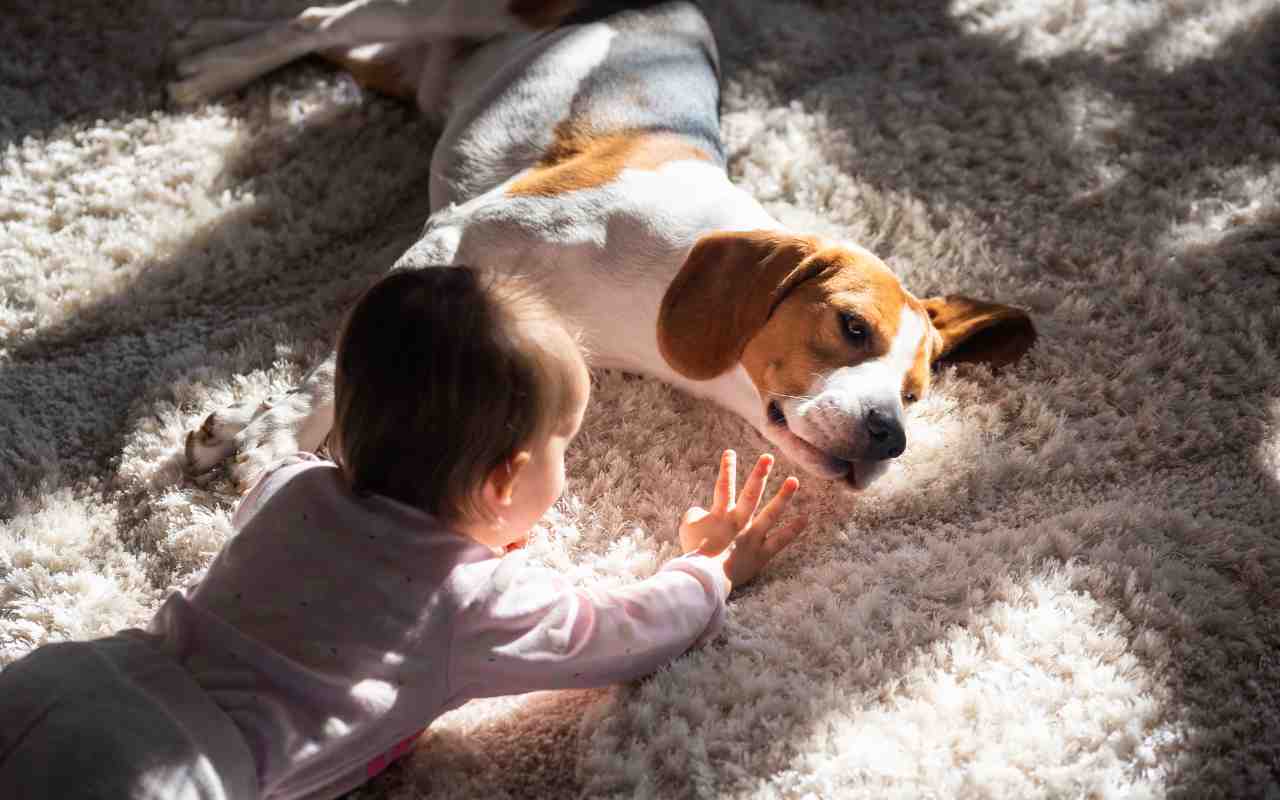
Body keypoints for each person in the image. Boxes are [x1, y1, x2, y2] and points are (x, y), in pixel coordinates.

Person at [0, 267, 806, 800]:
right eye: (563, 447)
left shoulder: (290, 485)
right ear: (503, 482)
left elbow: (336, 576)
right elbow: (620, 632)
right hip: (178, 772)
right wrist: (709, 568)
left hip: (67, 680)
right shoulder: (475, 601)